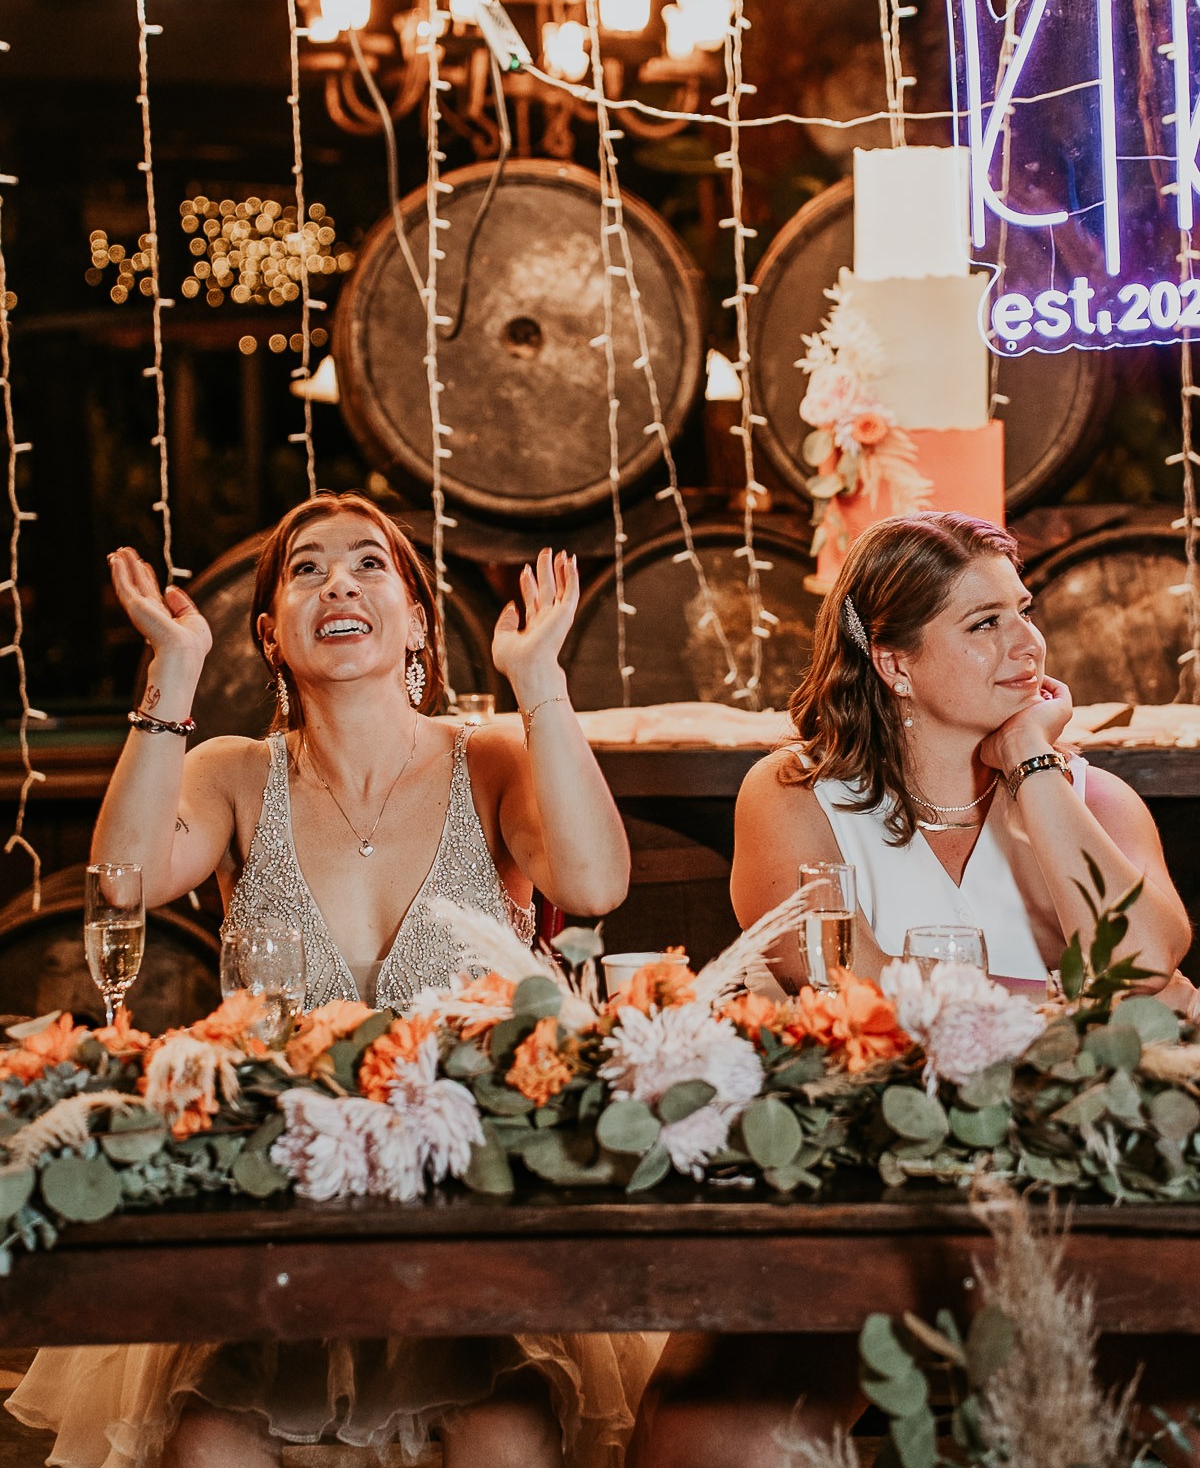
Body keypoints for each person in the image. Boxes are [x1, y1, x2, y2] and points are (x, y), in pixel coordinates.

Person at [8, 490, 656, 1468]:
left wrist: (541, 682)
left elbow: (596, 882)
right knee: (205, 1446)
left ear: (419, 622)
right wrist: (174, 671)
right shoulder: (234, 773)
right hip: (278, 1234)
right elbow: (120, 882)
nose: (338, 581)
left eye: (368, 564)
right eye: (306, 568)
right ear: (270, 635)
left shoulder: (492, 762)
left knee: (508, 1434)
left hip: (472, 1225)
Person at [630, 511, 1194, 1466]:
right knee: (706, 1437)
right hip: (860, 1184)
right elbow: (844, 984)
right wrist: (1073, 1007)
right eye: (984, 624)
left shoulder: (1089, 798)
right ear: (894, 663)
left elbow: (1141, 959)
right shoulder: (798, 794)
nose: (1027, 641)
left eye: (1024, 611)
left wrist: (1034, 768)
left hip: (1075, 1189)